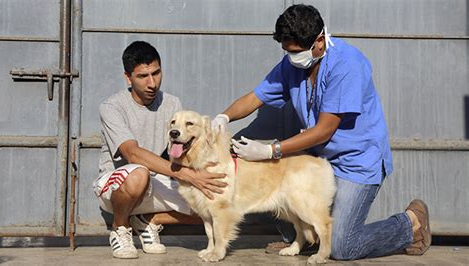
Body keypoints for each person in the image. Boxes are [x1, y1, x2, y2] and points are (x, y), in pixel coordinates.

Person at [210, 4, 431, 260]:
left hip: (356, 161)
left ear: (319, 41)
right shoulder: (292, 65)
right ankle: (303, 238)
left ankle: (410, 224)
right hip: (317, 160)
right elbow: (255, 97)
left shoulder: (347, 64)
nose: (291, 57)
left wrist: (270, 150)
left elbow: (325, 130)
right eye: (286, 51)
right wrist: (224, 116)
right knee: (279, 197)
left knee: (342, 246)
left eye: (295, 52)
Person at [92, 41, 226, 259]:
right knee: (138, 173)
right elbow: (132, 154)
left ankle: (148, 220)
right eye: (143, 76)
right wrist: (188, 175)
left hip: (156, 180)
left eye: (156, 73)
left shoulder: (172, 103)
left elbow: (183, 149)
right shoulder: (112, 107)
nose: (152, 83)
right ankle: (120, 227)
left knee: (212, 197)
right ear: (128, 77)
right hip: (118, 184)